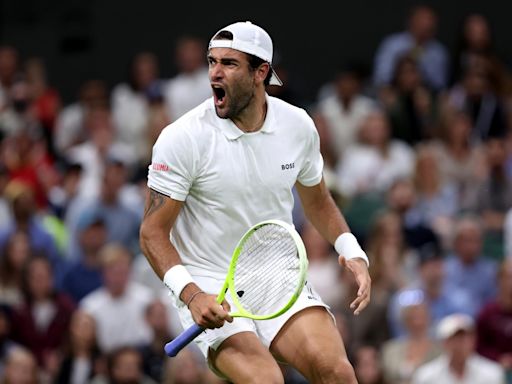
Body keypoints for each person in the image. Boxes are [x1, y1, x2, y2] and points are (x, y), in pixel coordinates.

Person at [140, 21, 371, 383]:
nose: (215, 72)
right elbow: (152, 233)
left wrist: (351, 250)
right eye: (212, 62)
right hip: (208, 282)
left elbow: (318, 199)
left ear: (261, 72)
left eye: (229, 64)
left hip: (276, 275)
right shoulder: (182, 138)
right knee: (266, 380)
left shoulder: (298, 125)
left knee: (337, 372)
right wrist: (192, 294)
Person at [412, 313, 506, 384]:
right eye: (455, 339)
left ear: (473, 340)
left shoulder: (493, 374)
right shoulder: (425, 377)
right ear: (444, 343)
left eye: (464, 338)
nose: (460, 344)